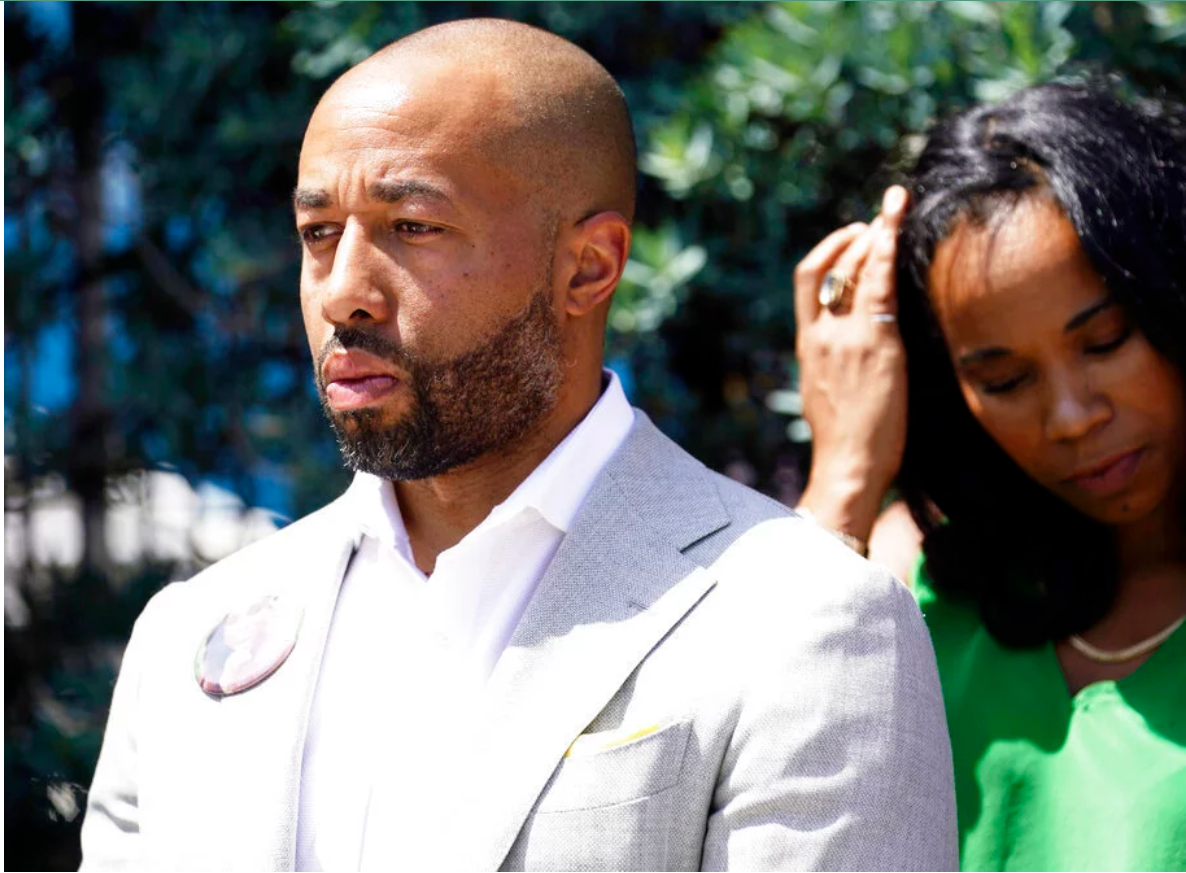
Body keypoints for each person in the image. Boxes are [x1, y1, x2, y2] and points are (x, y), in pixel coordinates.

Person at [80, 19, 957, 872]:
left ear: (588, 267)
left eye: (412, 226)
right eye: (319, 234)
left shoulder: (807, 622)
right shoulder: (189, 637)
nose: (344, 290)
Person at [794, 81, 1186, 870]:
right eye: (1004, 381)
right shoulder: (913, 584)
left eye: (1105, 340)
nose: (1071, 415)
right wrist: (846, 472)